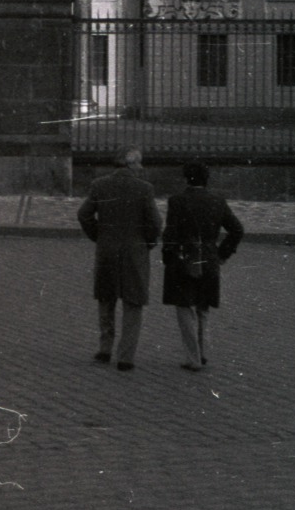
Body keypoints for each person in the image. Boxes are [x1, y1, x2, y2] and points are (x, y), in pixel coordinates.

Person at [78, 148, 161, 372]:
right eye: (139, 163)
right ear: (131, 165)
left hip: (107, 250)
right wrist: (148, 243)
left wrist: (99, 235)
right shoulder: (144, 189)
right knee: (133, 303)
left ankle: (105, 348)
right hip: (135, 252)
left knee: (106, 298)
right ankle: (126, 356)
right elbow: (155, 223)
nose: (141, 168)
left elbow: (84, 214)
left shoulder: (99, 185)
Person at [162, 161, 244, 372]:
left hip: (184, 257)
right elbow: (237, 230)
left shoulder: (177, 201)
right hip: (209, 257)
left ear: (186, 178)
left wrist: (167, 256)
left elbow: (170, 233)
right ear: (206, 179)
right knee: (203, 307)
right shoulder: (217, 201)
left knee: (184, 307)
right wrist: (222, 254)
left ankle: (193, 357)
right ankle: (203, 352)